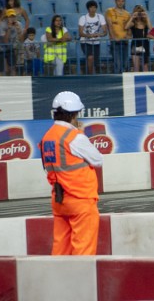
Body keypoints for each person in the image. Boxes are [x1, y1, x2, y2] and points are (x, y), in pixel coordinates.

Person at [39, 91, 103, 255]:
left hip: (60, 200)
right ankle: (81, 281)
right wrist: (80, 133)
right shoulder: (74, 137)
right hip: (80, 200)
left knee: (61, 250)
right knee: (83, 252)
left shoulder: (47, 137)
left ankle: (59, 280)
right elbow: (97, 160)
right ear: (74, 114)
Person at [78, 0, 107, 75]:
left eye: (94, 7)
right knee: (90, 57)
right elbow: (80, 33)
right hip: (85, 42)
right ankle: (90, 76)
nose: (93, 9)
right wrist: (89, 35)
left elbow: (105, 32)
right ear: (88, 9)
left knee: (95, 61)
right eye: (91, 7)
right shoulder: (83, 18)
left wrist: (99, 34)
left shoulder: (100, 17)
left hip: (96, 42)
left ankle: (92, 74)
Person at [105, 0, 131, 74]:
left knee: (125, 64)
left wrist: (129, 36)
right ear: (115, 1)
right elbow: (110, 26)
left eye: (122, 1)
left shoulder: (127, 14)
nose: (120, 3)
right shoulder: (109, 11)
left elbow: (129, 28)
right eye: (119, 1)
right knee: (117, 64)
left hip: (125, 42)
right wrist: (113, 38)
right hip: (115, 42)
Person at [125, 5, 153, 72]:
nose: (139, 14)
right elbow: (126, 27)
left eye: (141, 12)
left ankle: (146, 80)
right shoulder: (133, 23)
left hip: (145, 44)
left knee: (145, 65)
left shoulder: (145, 22)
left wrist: (147, 17)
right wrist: (132, 17)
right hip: (135, 44)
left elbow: (151, 29)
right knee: (136, 66)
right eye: (138, 12)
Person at [0, 8, 24, 76]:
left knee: (13, 68)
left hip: (11, 49)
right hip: (1, 49)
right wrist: (9, 28)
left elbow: (22, 40)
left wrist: (18, 30)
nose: (12, 18)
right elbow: (5, 41)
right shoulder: (2, 25)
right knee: (4, 70)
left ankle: (14, 83)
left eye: (14, 16)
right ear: (7, 17)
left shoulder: (19, 24)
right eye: (10, 16)